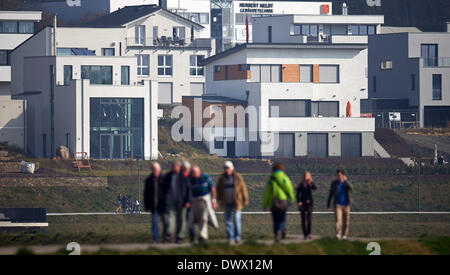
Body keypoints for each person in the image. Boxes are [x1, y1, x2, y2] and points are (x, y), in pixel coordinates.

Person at [216, 161, 249, 245]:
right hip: (226, 203)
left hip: (236, 203)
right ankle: (230, 238)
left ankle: (237, 237)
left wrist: (245, 200)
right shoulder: (221, 179)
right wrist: (216, 200)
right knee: (228, 221)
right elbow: (218, 190)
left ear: (232, 169)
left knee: (236, 220)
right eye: (225, 168)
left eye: (228, 168)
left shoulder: (238, 178)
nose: (227, 170)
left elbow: (243, 189)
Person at [263, 163, 295, 242]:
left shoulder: (270, 179)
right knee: (282, 219)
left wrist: (265, 205)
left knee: (275, 220)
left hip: (273, 202)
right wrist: (292, 199)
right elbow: (289, 189)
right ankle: (280, 231)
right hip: (283, 201)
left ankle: (276, 234)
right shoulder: (285, 178)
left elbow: (267, 193)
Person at [188, 165, 219, 243]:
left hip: (204, 200)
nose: (193, 174)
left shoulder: (206, 177)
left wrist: (214, 201)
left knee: (203, 218)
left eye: (195, 173)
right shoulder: (191, 180)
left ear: (199, 172)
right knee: (191, 220)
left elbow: (213, 189)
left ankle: (203, 236)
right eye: (192, 173)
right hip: (194, 201)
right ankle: (195, 236)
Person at [327, 170, 352, 240]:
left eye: (340, 175)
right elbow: (330, 194)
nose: (339, 177)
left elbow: (351, 188)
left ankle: (344, 234)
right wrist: (328, 204)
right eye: (338, 175)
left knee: (346, 221)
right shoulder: (334, 184)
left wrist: (346, 181)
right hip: (337, 205)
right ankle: (338, 234)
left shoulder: (346, 183)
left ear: (343, 175)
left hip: (346, 205)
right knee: (338, 220)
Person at [161, 160, 182, 242]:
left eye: (175, 166)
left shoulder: (183, 176)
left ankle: (179, 236)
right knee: (170, 217)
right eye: (173, 167)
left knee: (180, 219)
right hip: (170, 199)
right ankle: (169, 235)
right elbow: (164, 187)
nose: (174, 168)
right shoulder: (168, 176)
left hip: (180, 199)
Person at [144, 162, 164, 243]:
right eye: (153, 170)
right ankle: (155, 239)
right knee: (154, 222)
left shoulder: (163, 179)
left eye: (156, 170)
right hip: (153, 205)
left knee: (166, 221)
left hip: (163, 204)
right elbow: (146, 194)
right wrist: (147, 206)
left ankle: (166, 237)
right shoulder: (149, 180)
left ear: (159, 170)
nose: (154, 171)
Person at [296, 171, 317, 240]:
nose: (306, 177)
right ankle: (305, 234)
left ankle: (309, 233)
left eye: (307, 176)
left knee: (309, 219)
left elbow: (315, 188)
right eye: (305, 176)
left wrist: (310, 182)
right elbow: (297, 195)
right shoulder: (300, 185)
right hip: (302, 203)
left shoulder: (310, 183)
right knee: (303, 219)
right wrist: (299, 202)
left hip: (309, 203)